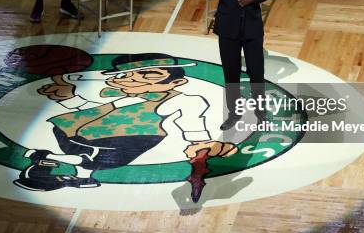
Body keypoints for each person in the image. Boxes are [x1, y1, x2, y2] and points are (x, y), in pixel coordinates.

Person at [13, 53, 237, 191]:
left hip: (127, 138)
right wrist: (69, 98)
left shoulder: (186, 100)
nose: (133, 79)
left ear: (176, 81)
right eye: (126, 76)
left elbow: (192, 124)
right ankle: (75, 174)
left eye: (148, 75)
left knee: (96, 159)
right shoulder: (118, 95)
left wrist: (202, 143)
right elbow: (91, 110)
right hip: (77, 131)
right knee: (89, 158)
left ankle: (45, 157)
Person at [206, 0, 279, 130]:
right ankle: (234, 114)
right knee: (231, 74)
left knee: (256, 72)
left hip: (251, 27)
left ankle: (261, 113)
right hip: (228, 28)